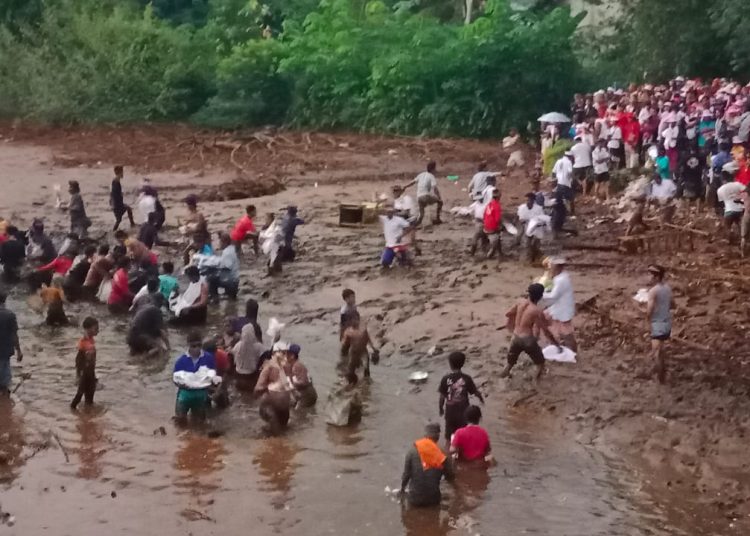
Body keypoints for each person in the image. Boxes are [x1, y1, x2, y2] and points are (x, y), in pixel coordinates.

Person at [500, 283, 562, 381]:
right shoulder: (537, 311)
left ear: (528, 293)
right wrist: (557, 345)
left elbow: (508, 314)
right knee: (540, 364)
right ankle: (535, 382)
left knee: (510, 363)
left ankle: (502, 377)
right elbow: (546, 331)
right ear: (541, 296)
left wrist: (512, 325)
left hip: (515, 337)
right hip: (527, 340)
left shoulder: (519, 302)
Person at [399, 423, 454, 507]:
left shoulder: (412, 451)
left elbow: (406, 475)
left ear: (425, 435)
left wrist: (402, 490)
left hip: (414, 499)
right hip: (433, 500)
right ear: (438, 437)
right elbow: (450, 477)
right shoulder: (443, 453)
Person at [438, 351, 484, 443]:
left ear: (450, 364)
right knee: (464, 435)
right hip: (464, 412)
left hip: (450, 412)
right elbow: (475, 392)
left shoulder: (445, 378)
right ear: (463, 363)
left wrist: (441, 409)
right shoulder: (467, 378)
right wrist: (481, 400)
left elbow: (442, 397)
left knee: (449, 437)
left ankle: (450, 454)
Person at [173, 331, 216, 424]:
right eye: (193, 346)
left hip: (201, 395)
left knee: (200, 422)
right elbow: (176, 380)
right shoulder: (181, 361)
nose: (196, 349)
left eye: (199, 345)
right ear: (188, 346)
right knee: (180, 420)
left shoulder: (208, 358)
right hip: (185, 394)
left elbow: (212, 375)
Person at [254, 341, 294, 433]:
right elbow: (257, 388)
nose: (284, 355)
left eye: (285, 352)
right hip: (269, 407)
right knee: (277, 433)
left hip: (284, 408)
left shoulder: (287, 367)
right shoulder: (268, 369)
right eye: (281, 352)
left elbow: (290, 385)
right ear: (273, 354)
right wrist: (269, 388)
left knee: (285, 430)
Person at [645, 265, 673, 384]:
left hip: (657, 324)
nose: (649, 277)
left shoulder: (653, 291)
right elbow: (673, 304)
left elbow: (649, 310)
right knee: (661, 351)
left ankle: (659, 378)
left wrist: (647, 319)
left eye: (650, 275)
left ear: (656, 277)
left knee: (655, 353)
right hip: (667, 323)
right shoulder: (668, 288)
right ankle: (663, 375)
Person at [542, 257, 577, 351]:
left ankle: (572, 351)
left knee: (566, 331)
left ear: (557, 267)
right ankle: (556, 344)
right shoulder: (561, 277)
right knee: (545, 320)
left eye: (552, 267)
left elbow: (554, 295)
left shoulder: (561, 280)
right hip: (558, 307)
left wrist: (540, 294)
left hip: (562, 309)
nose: (550, 269)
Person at [71, 317, 99, 409]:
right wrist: (79, 374)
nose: (98, 331)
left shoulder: (91, 340)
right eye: (96, 328)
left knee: (90, 394)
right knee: (79, 394)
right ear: (88, 329)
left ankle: (87, 416)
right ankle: (73, 409)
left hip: (90, 372)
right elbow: (78, 360)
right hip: (84, 372)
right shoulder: (83, 342)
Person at [0, 291, 22, 396]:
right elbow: (14, 335)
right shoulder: (10, 315)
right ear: (4, 300)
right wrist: (19, 351)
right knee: (4, 380)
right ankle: (5, 401)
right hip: (5, 351)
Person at [207, 233, 240, 301]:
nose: (219, 244)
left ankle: (215, 299)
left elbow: (227, 267)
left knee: (211, 279)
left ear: (224, 242)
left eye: (220, 242)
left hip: (231, 281)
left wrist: (216, 267)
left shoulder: (227, 252)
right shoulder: (231, 249)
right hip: (234, 279)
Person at [392, 185, 421, 255]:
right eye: (394, 191)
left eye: (396, 191)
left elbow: (406, 213)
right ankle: (415, 250)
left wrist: (394, 214)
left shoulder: (406, 199)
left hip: (411, 220)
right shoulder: (396, 200)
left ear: (401, 191)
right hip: (404, 220)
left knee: (409, 238)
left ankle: (412, 251)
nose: (394, 193)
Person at [411, 161, 443, 225]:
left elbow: (412, 182)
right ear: (432, 169)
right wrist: (439, 197)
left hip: (419, 197)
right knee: (440, 202)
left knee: (421, 214)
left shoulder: (421, 174)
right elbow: (435, 188)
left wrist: (405, 187)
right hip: (425, 196)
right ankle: (437, 219)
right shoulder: (431, 176)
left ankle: (416, 224)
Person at [287, 344, 317, 408]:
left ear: (292, 356)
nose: (285, 356)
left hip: (306, 396)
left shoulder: (296, 366)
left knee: (298, 416)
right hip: (309, 394)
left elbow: (304, 382)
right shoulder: (296, 364)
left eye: (286, 354)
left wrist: (292, 384)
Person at [110, 166, 135, 230]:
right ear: (119, 173)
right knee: (119, 219)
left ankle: (132, 224)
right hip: (117, 204)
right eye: (122, 172)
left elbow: (114, 193)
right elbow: (114, 194)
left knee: (121, 217)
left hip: (117, 203)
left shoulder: (116, 181)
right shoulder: (116, 182)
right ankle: (132, 225)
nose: (123, 174)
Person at [552, 151, 575, 215]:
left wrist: (554, 182)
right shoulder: (569, 162)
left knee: (559, 198)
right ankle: (571, 212)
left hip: (559, 183)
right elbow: (570, 172)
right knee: (570, 198)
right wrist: (572, 179)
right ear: (570, 157)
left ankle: (559, 212)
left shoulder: (558, 161)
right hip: (566, 183)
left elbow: (554, 171)